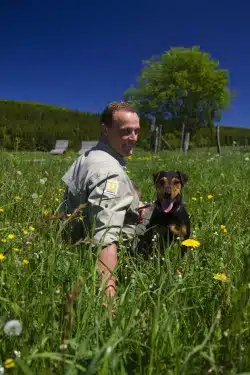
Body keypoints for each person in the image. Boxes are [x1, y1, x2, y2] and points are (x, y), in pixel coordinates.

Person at [60, 101, 141, 301]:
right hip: (99, 244)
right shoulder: (110, 173)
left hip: (74, 236)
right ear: (105, 130)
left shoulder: (88, 156)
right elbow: (105, 236)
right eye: (126, 131)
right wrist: (108, 302)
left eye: (137, 131)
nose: (133, 138)